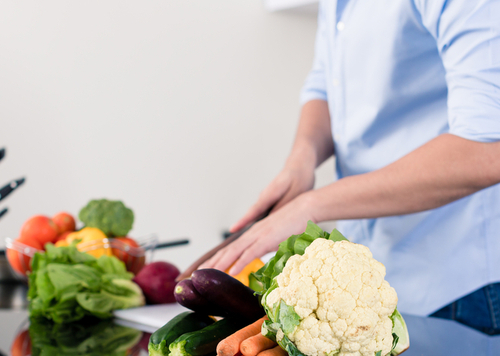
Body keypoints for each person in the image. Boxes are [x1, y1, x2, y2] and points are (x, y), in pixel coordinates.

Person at [202, 0, 500, 333]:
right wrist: (302, 157)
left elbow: (487, 150)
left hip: (458, 282)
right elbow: (326, 84)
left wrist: (312, 205)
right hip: (371, 276)